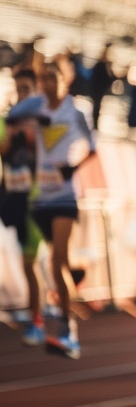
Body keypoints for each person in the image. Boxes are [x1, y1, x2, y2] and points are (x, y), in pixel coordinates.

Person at [6, 61, 95, 358]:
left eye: (52, 78)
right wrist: (34, 104)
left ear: (65, 80)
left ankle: (69, 332)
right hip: (39, 198)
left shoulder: (75, 112)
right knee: (48, 264)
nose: (47, 83)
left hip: (65, 197)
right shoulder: (36, 107)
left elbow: (92, 147)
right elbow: (13, 116)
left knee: (56, 261)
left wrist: (73, 167)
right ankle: (56, 310)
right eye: (43, 78)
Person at [0, 67, 44, 344]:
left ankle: (37, 318)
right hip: (12, 196)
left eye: (26, 89)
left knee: (30, 261)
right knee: (23, 261)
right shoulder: (7, 119)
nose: (21, 94)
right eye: (18, 89)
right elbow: (3, 150)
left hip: (37, 198)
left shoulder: (43, 119)